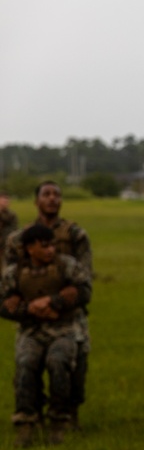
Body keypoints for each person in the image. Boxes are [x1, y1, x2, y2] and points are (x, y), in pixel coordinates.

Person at [5, 181, 93, 430]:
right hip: (31, 318)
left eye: (57, 194)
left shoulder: (76, 235)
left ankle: (67, 412)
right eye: (46, 194)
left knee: (72, 368)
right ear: (37, 201)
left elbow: (84, 278)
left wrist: (60, 300)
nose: (52, 199)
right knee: (27, 366)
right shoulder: (18, 239)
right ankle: (32, 416)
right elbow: (9, 281)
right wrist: (26, 307)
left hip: (70, 315)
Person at [0, 192, 18, 260]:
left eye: (7, 201)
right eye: (4, 201)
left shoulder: (12, 215)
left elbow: (14, 229)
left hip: (6, 245)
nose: (6, 203)